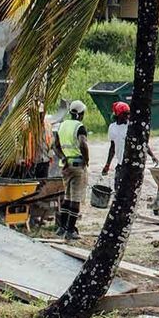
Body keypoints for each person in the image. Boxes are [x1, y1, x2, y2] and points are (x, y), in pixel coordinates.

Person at [51, 99, 89, 240]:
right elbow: (83, 144)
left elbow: (55, 146)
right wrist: (86, 160)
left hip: (66, 166)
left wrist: (63, 157)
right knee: (76, 198)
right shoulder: (79, 127)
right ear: (80, 114)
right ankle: (70, 230)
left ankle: (62, 228)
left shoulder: (62, 125)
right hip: (77, 165)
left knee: (67, 197)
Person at [101, 100, 156, 179]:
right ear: (118, 115)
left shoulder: (131, 127)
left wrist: (152, 155)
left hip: (132, 164)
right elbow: (112, 147)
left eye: (128, 113)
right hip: (121, 163)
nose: (128, 116)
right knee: (118, 187)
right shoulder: (112, 127)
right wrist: (107, 165)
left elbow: (142, 142)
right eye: (125, 114)